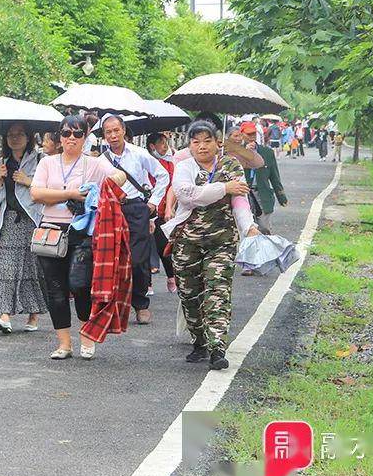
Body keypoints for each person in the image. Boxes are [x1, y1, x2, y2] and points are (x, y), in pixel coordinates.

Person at [163, 119, 259, 371]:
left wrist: (248, 226)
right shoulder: (183, 167)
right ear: (190, 145)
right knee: (189, 294)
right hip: (187, 241)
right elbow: (187, 195)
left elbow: (239, 200)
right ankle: (199, 340)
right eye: (196, 142)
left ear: (218, 142)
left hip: (222, 241)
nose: (202, 146)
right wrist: (223, 187)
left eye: (207, 141)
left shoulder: (231, 164)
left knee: (218, 292)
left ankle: (218, 348)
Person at [30, 114, 124, 360]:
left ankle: (86, 334)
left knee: (80, 285)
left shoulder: (93, 163)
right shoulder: (47, 163)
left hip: (82, 232)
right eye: (66, 133)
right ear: (59, 136)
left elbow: (119, 176)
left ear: (85, 137)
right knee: (55, 288)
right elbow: (36, 193)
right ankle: (64, 344)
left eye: (77, 133)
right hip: (51, 230)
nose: (71, 138)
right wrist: (71, 193)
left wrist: (108, 183)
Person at [99, 114, 169, 323]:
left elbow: (163, 175)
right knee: (113, 258)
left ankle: (140, 303)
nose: (113, 135)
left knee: (138, 258)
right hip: (111, 210)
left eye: (116, 130)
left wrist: (154, 202)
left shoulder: (139, 154)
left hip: (137, 208)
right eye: (108, 132)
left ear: (123, 130)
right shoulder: (101, 161)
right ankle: (116, 306)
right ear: (104, 135)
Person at [0, 124, 47, 333]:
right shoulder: (2, 163)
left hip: (33, 222)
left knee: (31, 269)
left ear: (29, 138)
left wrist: (29, 182)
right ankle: (4, 315)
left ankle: (33, 315)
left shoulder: (41, 161)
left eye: (20, 135)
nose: (14, 138)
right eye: (10, 135)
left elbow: (50, 191)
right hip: (9, 222)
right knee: (5, 267)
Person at [236, 122, 287, 238]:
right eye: (248, 134)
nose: (251, 137)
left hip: (262, 194)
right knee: (246, 229)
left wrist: (281, 196)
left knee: (264, 228)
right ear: (242, 135)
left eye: (253, 134)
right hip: (244, 194)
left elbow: (274, 176)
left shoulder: (267, 152)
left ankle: (265, 253)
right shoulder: (237, 153)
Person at [146, 132, 177, 293]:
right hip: (148, 209)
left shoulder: (170, 164)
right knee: (146, 246)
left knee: (163, 245)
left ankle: (171, 277)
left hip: (164, 211)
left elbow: (173, 187)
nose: (165, 146)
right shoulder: (145, 162)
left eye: (166, 142)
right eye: (161, 143)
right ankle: (148, 283)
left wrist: (169, 208)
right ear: (152, 146)